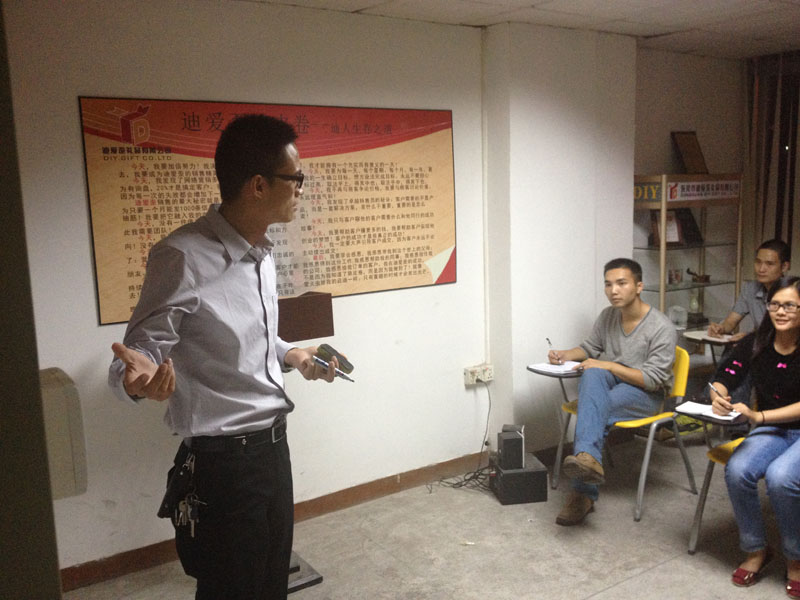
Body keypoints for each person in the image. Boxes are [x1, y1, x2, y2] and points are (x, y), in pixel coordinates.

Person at [108, 114, 339, 600]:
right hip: (225, 469)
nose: (301, 188)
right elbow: (136, 356)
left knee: (272, 584)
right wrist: (136, 381)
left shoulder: (261, 253)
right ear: (258, 185)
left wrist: (294, 354)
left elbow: (251, 339)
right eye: (295, 177)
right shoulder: (183, 256)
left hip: (273, 452)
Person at [548, 258, 677, 526]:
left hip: (646, 393)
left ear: (639, 286)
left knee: (593, 406)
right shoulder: (608, 316)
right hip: (613, 384)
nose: (613, 290)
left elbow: (652, 379)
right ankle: (587, 460)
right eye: (608, 284)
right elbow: (590, 348)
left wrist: (608, 364)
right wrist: (564, 354)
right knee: (592, 373)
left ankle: (582, 494)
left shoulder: (661, 327)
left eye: (621, 283)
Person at [710, 276, 800, 595]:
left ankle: (796, 559)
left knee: (781, 477)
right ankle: (756, 551)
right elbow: (726, 373)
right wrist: (718, 393)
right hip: (772, 430)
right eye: (775, 304)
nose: (781, 311)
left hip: (784, 425)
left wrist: (758, 416)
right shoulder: (756, 342)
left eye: (790, 305)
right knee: (737, 470)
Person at [705, 239, 790, 406]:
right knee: (736, 349)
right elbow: (731, 321)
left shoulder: (792, 291)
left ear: (784, 267)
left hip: (782, 350)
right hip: (756, 345)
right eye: (758, 262)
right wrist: (720, 328)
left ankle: (734, 409)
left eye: (769, 264)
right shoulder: (750, 289)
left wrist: (752, 337)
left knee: (749, 354)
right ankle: (715, 400)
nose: (761, 268)